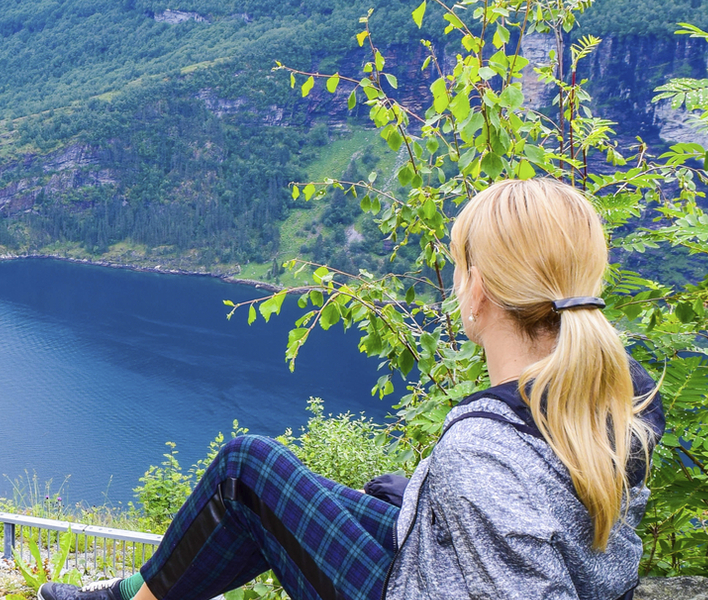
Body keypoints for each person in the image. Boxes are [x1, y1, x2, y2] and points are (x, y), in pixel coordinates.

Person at [40, 178, 668, 600]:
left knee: (245, 469)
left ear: (477, 290)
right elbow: (544, 521)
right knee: (300, 491)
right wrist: (423, 500)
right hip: (436, 559)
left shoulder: (480, 455)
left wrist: (446, 491)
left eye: (457, 267)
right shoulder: (621, 388)